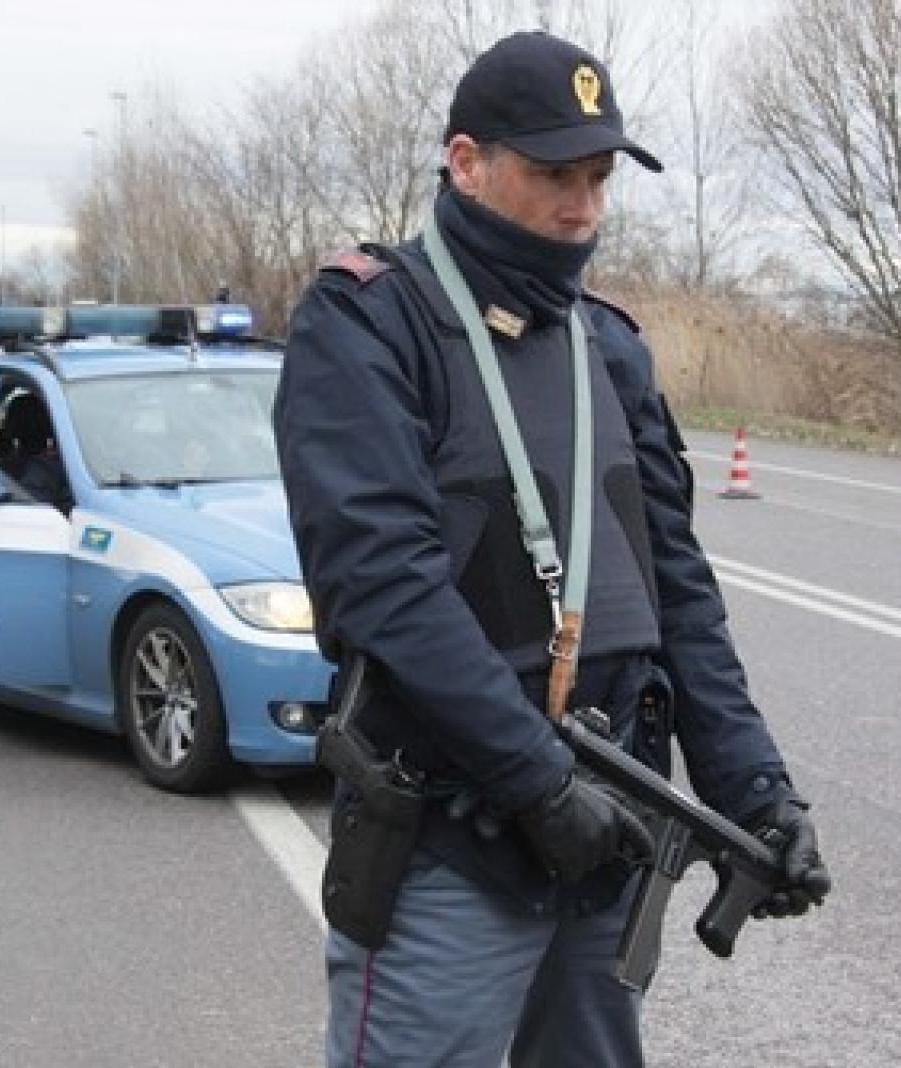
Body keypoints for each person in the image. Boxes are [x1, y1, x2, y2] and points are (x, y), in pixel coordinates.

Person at [273, 30, 831, 1068]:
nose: (581, 209)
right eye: (551, 176)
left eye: (597, 178)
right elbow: (383, 593)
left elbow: (678, 594)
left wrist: (758, 790)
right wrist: (536, 781)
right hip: (448, 841)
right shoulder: (366, 324)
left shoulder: (607, 347)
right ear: (467, 163)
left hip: (601, 838)